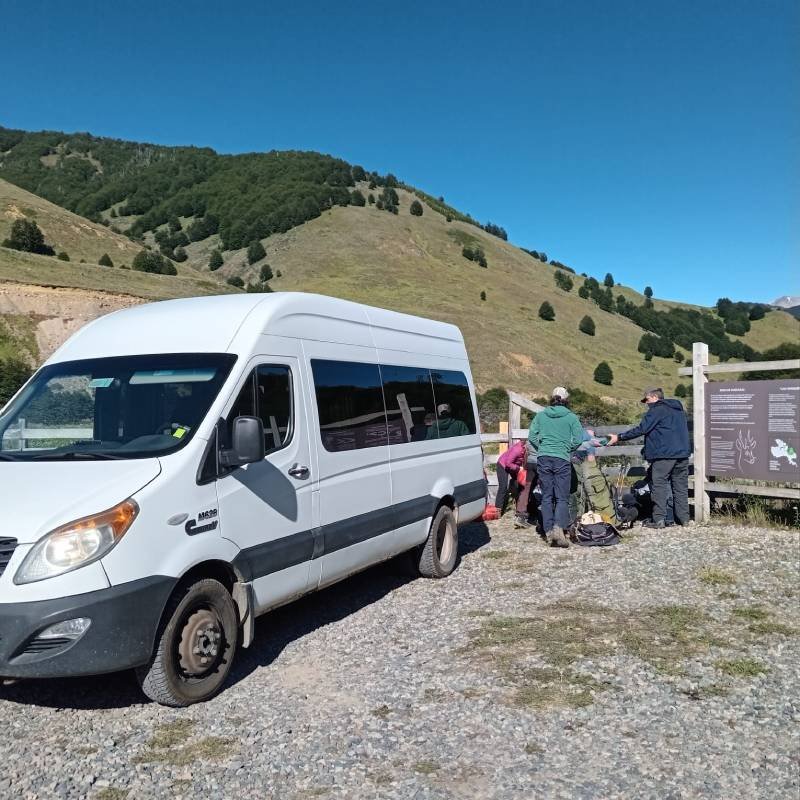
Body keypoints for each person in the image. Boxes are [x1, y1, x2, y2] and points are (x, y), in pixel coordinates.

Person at [608, 387, 690, 528]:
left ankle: (659, 520)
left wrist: (619, 437)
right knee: (680, 487)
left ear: (653, 397)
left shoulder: (656, 410)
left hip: (664, 455)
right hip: (682, 454)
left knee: (659, 485)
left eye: (646, 400)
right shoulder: (678, 410)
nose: (646, 403)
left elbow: (642, 429)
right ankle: (684, 519)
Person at [528, 387, 584, 547]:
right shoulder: (572, 417)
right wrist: (567, 448)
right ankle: (559, 528)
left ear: (551, 398)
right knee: (562, 497)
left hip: (544, 458)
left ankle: (548, 531)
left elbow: (532, 436)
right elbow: (579, 439)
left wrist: (542, 447)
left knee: (546, 496)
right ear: (566, 400)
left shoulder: (541, 415)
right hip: (562, 459)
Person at [494, 439, 526, 517]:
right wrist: (519, 468)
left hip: (513, 466)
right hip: (503, 465)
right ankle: (498, 510)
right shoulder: (517, 450)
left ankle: (520, 509)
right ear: (524, 445)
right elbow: (508, 463)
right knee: (503, 487)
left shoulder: (526, 450)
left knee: (520, 485)